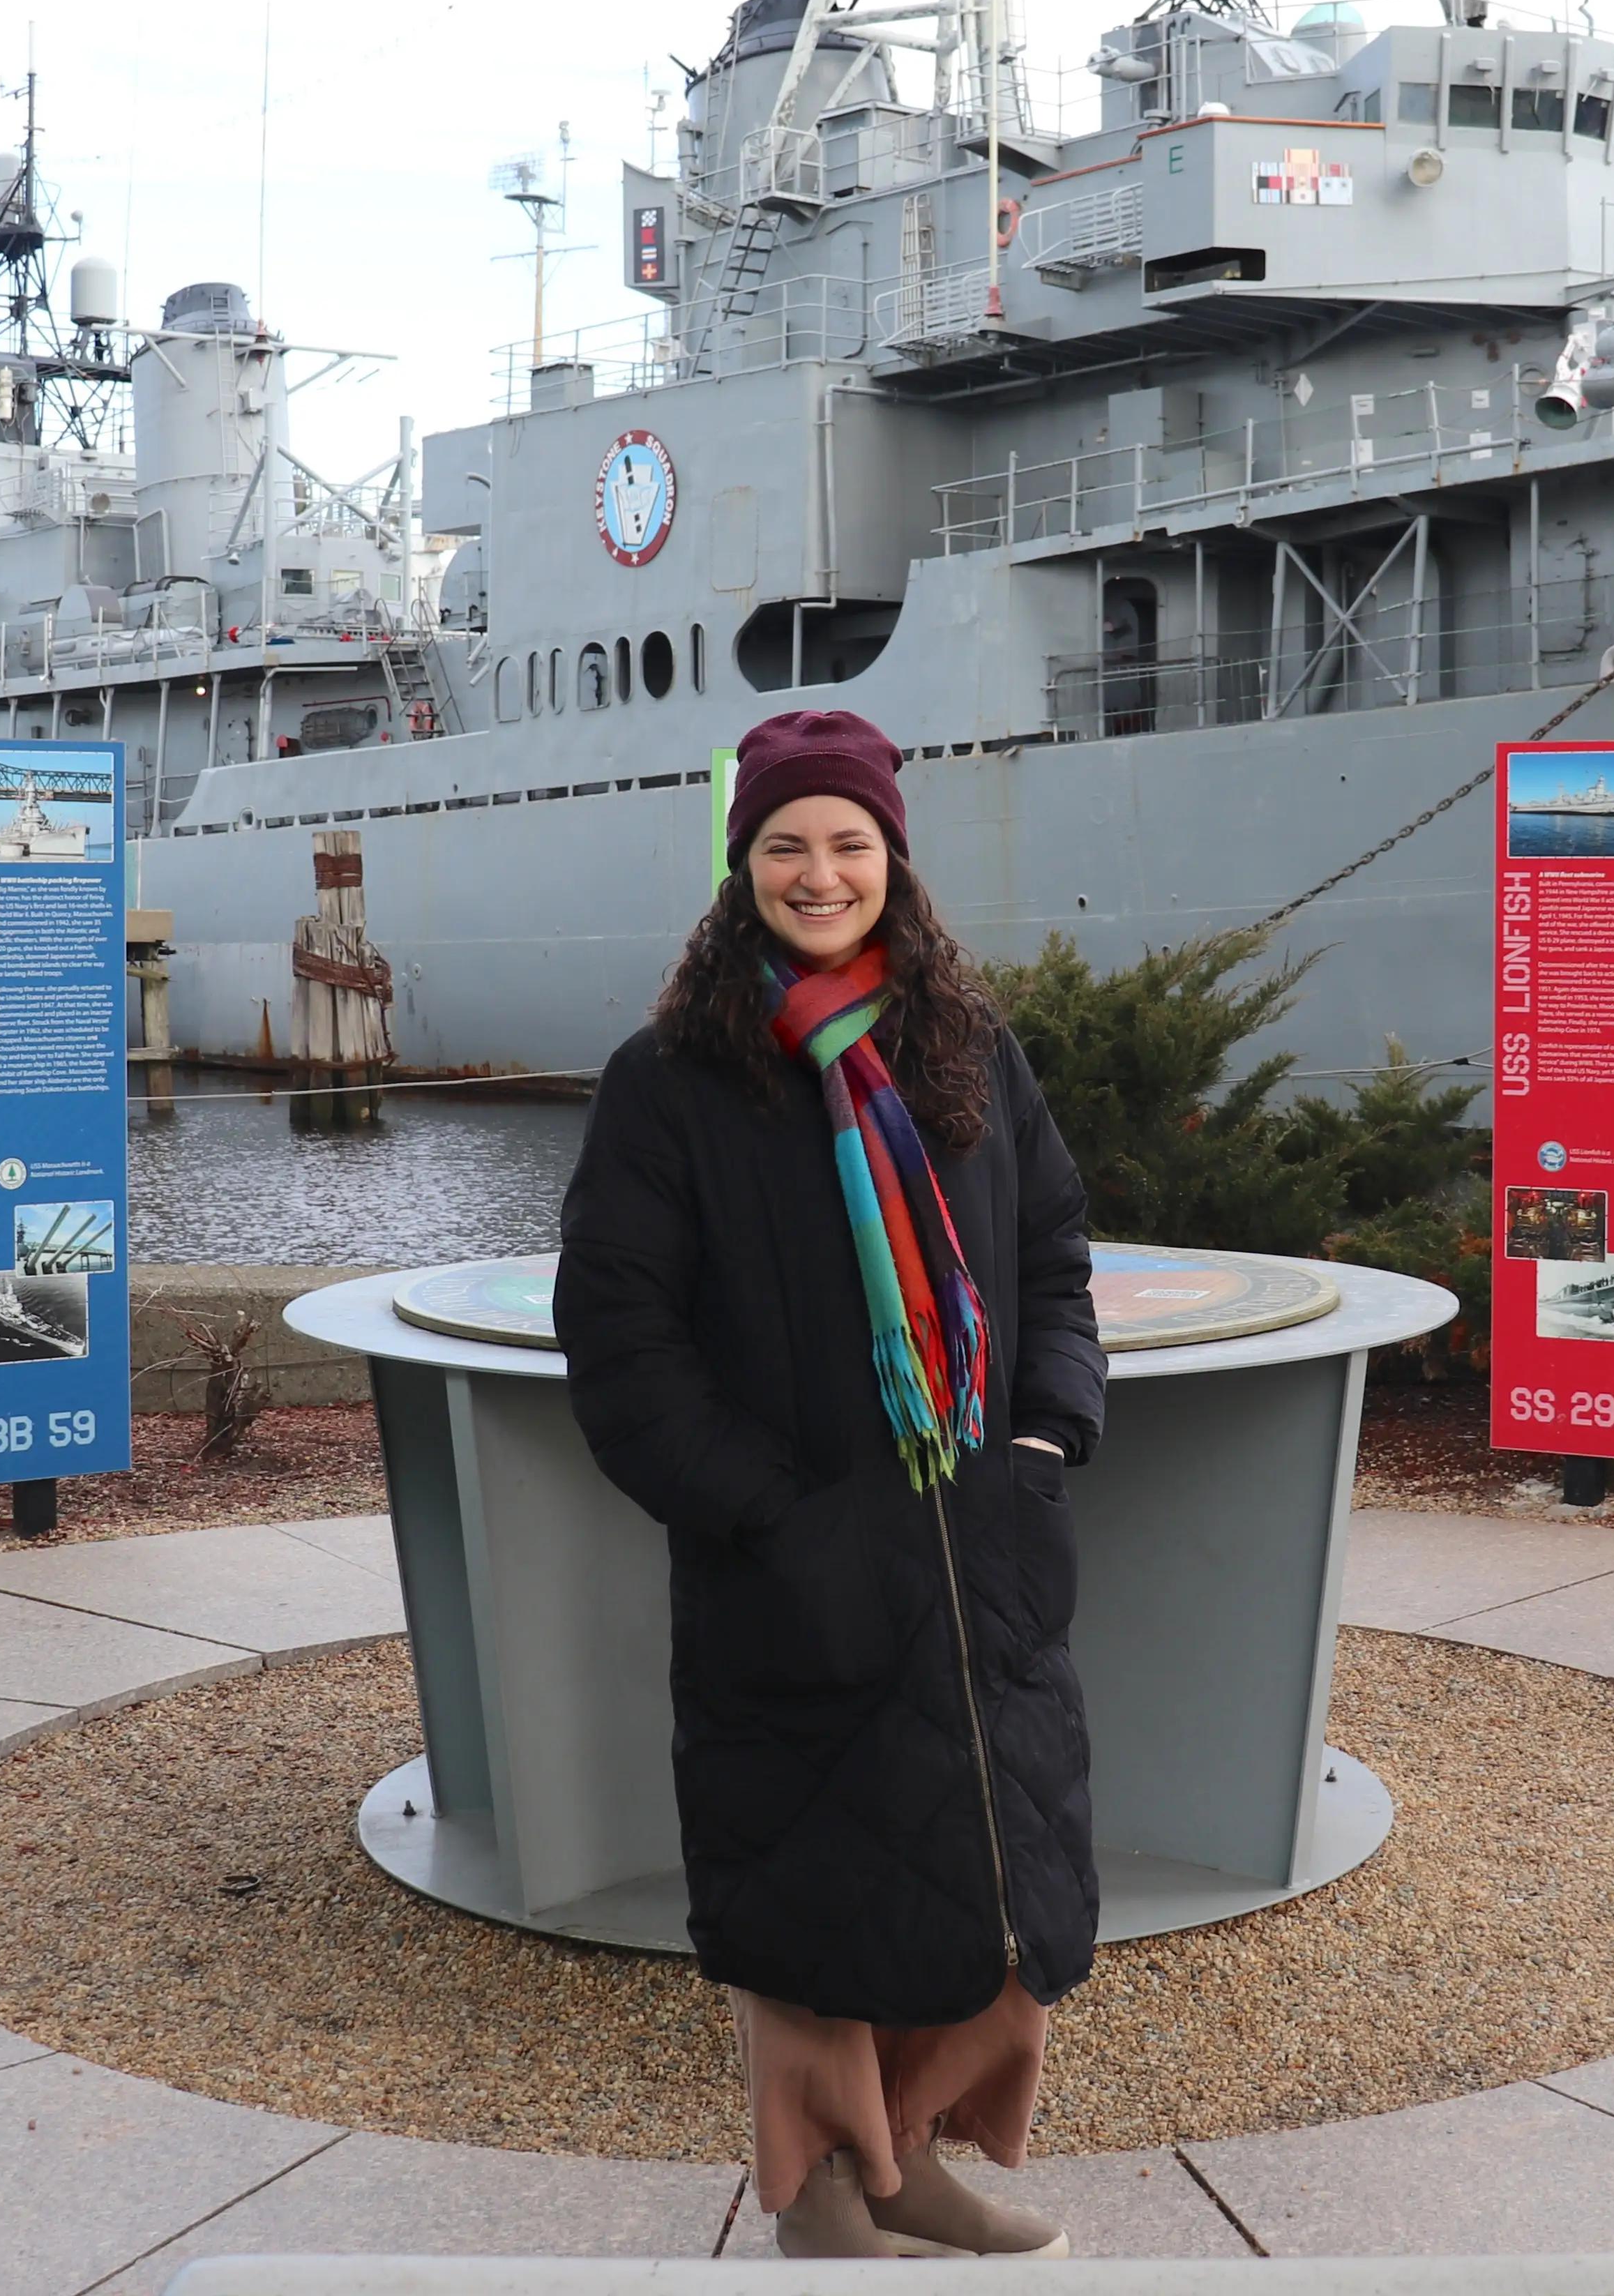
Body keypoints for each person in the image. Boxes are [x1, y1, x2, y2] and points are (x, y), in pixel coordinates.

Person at [557, 706, 1106, 2260]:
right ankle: (818, 2190)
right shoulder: (669, 1082)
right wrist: (767, 1510)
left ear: (893, 858)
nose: (820, 871)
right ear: (743, 868)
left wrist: (1050, 1434)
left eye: (848, 842)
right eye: (787, 843)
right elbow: (618, 1335)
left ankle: (911, 2152)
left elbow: (1056, 1255)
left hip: (977, 1545)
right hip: (790, 1565)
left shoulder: (969, 1049)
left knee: (989, 1887)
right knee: (816, 1898)